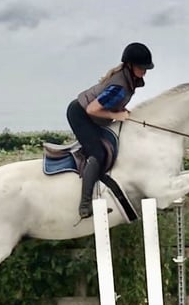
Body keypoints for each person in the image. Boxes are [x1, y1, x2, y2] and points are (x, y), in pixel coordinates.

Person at [66, 41, 154, 218]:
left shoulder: (129, 80)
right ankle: (85, 206)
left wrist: (119, 111)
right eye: (141, 67)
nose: (144, 71)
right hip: (80, 115)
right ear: (129, 65)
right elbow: (92, 109)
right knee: (98, 153)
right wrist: (118, 115)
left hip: (91, 116)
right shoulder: (120, 85)